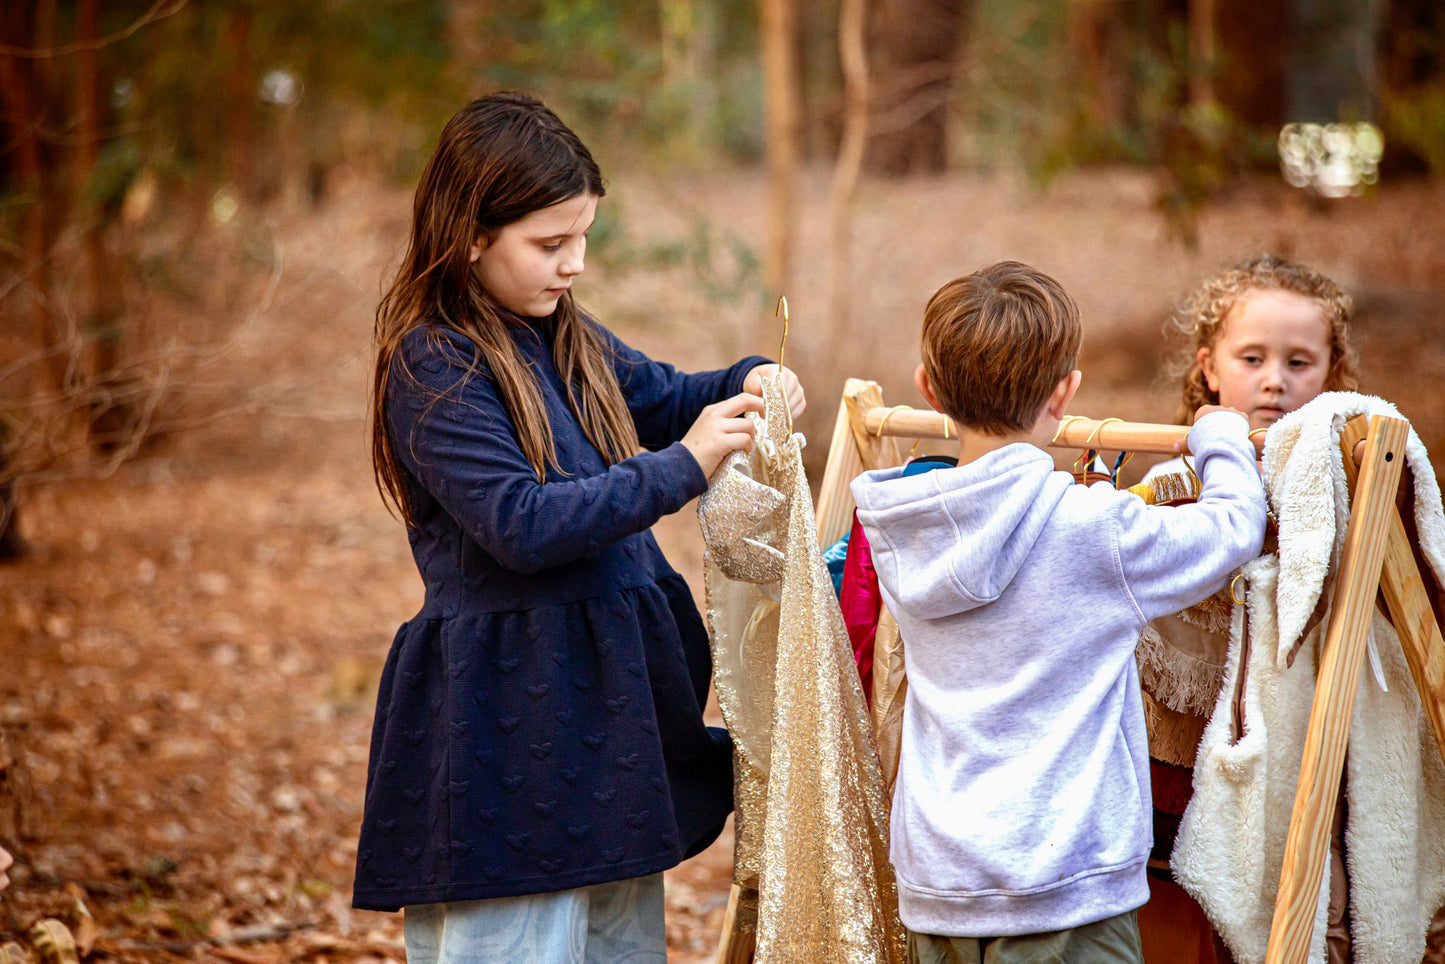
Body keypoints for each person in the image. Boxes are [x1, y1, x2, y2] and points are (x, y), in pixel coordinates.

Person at [352, 91, 804, 963]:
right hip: (506, 720)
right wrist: (683, 466)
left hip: (606, 715)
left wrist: (751, 381)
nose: (574, 265)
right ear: (471, 234)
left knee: (615, 944)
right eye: (550, 244)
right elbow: (519, 523)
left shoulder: (561, 330)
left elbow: (671, 397)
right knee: (516, 940)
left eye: (583, 238)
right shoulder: (431, 362)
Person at [849, 260, 1267, 962]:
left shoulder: (899, 525)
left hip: (938, 880)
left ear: (926, 388)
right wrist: (1220, 436)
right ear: (1065, 392)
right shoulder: (1091, 530)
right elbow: (1230, 530)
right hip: (1062, 884)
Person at [1136, 255, 1359, 963]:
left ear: (1330, 372)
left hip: (1292, 738)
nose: (1274, 380)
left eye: (1299, 361)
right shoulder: (1170, 478)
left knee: (1279, 905)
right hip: (1173, 753)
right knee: (1174, 918)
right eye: (1252, 357)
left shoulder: (1344, 486)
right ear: (1208, 366)